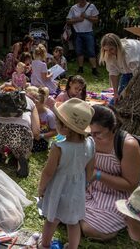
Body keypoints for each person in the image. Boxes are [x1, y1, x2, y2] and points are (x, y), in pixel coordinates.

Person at [38, 98, 95, 249]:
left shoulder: (59, 147)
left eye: (57, 122)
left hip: (58, 188)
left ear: (66, 128)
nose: (55, 124)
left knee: (52, 220)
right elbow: (90, 169)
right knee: (73, 221)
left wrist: (41, 188)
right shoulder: (90, 143)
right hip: (77, 189)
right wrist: (85, 184)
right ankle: (73, 246)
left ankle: (44, 244)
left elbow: (48, 172)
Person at [81, 105, 140, 240]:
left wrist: (97, 175)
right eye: (90, 132)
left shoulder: (127, 145)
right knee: (56, 203)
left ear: (112, 128)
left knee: (89, 229)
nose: (92, 136)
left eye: (98, 133)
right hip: (90, 188)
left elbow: (130, 184)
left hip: (118, 195)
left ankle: (108, 224)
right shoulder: (90, 136)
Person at [0, 91, 40, 177]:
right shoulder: (30, 102)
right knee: (20, 143)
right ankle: (21, 158)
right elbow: (36, 132)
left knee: (0, 132)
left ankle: (0, 152)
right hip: (19, 132)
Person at [99, 33, 140, 104]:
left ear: (118, 46)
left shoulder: (129, 52)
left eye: (111, 49)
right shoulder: (109, 55)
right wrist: (116, 93)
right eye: (106, 50)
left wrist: (126, 91)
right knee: (118, 99)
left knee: (132, 97)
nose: (109, 52)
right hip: (128, 71)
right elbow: (113, 74)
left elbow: (137, 76)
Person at [66, 0, 100, 76]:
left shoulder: (91, 6)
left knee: (91, 51)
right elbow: (68, 20)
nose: (82, 0)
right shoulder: (73, 8)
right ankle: (80, 68)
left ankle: (94, 69)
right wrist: (78, 19)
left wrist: (87, 17)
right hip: (77, 33)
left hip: (89, 32)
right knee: (79, 51)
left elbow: (96, 20)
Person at [26, 86, 57, 152]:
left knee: (29, 147)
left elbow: (55, 131)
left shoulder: (49, 115)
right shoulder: (30, 111)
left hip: (42, 139)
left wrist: (41, 135)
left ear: (42, 103)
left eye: (36, 103)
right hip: (30, 135)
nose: (33, 105)